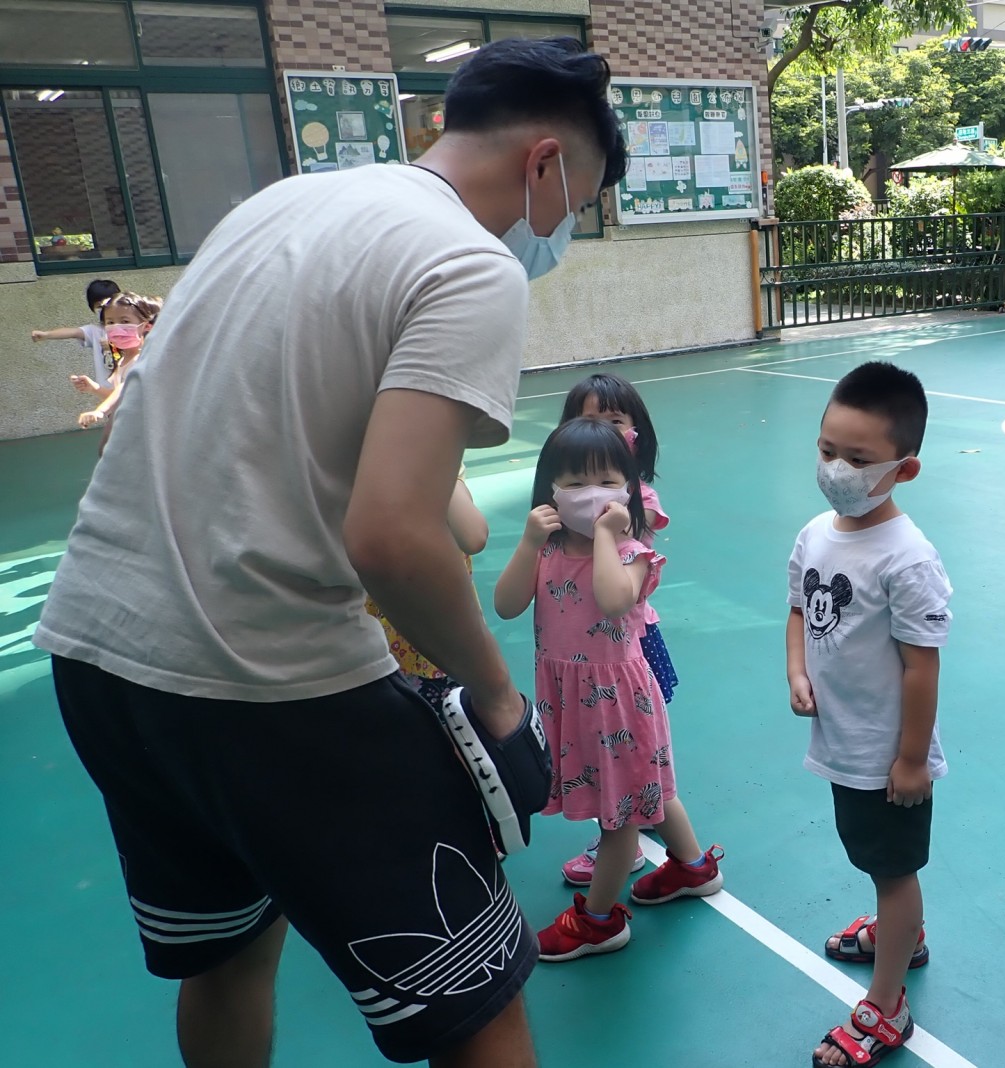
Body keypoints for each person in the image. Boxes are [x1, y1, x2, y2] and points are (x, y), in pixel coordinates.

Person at [34, 37, 625, 1068]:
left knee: (229, 959)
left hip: (101, 654)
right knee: (478, 1001)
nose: (568, 223)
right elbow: (396, 534)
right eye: (584, 196)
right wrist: (501, 704)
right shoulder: (470, 263)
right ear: (543, 163)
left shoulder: (281, 204)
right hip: (273, 681)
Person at [493, 417, 722, 962]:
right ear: (549, 490)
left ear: (629, 489)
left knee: (619, 817)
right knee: (645, 790)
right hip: (569, 701)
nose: (590, 494)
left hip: (618, 705)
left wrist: (603, 535)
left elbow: (614, 600)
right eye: (574, 482)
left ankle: (598, 921)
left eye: (605, 481)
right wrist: (528, 542)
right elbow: (506, 605)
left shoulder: (632, 553)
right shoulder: (546, 550)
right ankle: (692, 868)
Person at [786, 361, 953, 1068]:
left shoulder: (908, 559)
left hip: (887, 756)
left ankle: (888, 1005)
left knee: (893, 871)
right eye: (828, 450)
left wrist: (911, 759)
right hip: (841, 742)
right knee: (875, 858)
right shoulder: (814, 534)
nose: (836, 470)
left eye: (857, 460)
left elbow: (922, 666)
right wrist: (797, 670)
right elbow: (799, 608)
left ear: (903, 470)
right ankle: (901, 937)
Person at [554, 372, 673, 887]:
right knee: (628, 758)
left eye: (615, 420)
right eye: (589, 420)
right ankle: (679, 854)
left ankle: (620, 844)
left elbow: (621, 560)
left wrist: (599, 518)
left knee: (627, 752)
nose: (604, 429)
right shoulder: (564, 504)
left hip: (628, 645)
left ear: (636, 433)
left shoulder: (636, 500)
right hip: (583, 648)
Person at [364, 465, 488, 712]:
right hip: (377, 644)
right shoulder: (362, 476)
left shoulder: (443, 471)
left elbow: (474, 536)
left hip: (445, 645)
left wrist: (438, 467)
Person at [76, 291, 162, 435]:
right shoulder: (122, 360)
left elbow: (123, 389)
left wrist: (100, 411)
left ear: (146, 326)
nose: (117, 327)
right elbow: (120, 397)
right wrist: (94, 388)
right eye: (110, 322)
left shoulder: (141, 360)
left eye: (125, 321)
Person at [29, 277, 119, 397]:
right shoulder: (95, 331)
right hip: (106, 392)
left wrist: (112, 346)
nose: (103, 310)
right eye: (98, 306)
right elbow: (72, 332)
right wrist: (47, 335)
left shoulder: (129, 329)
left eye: (107, 304)